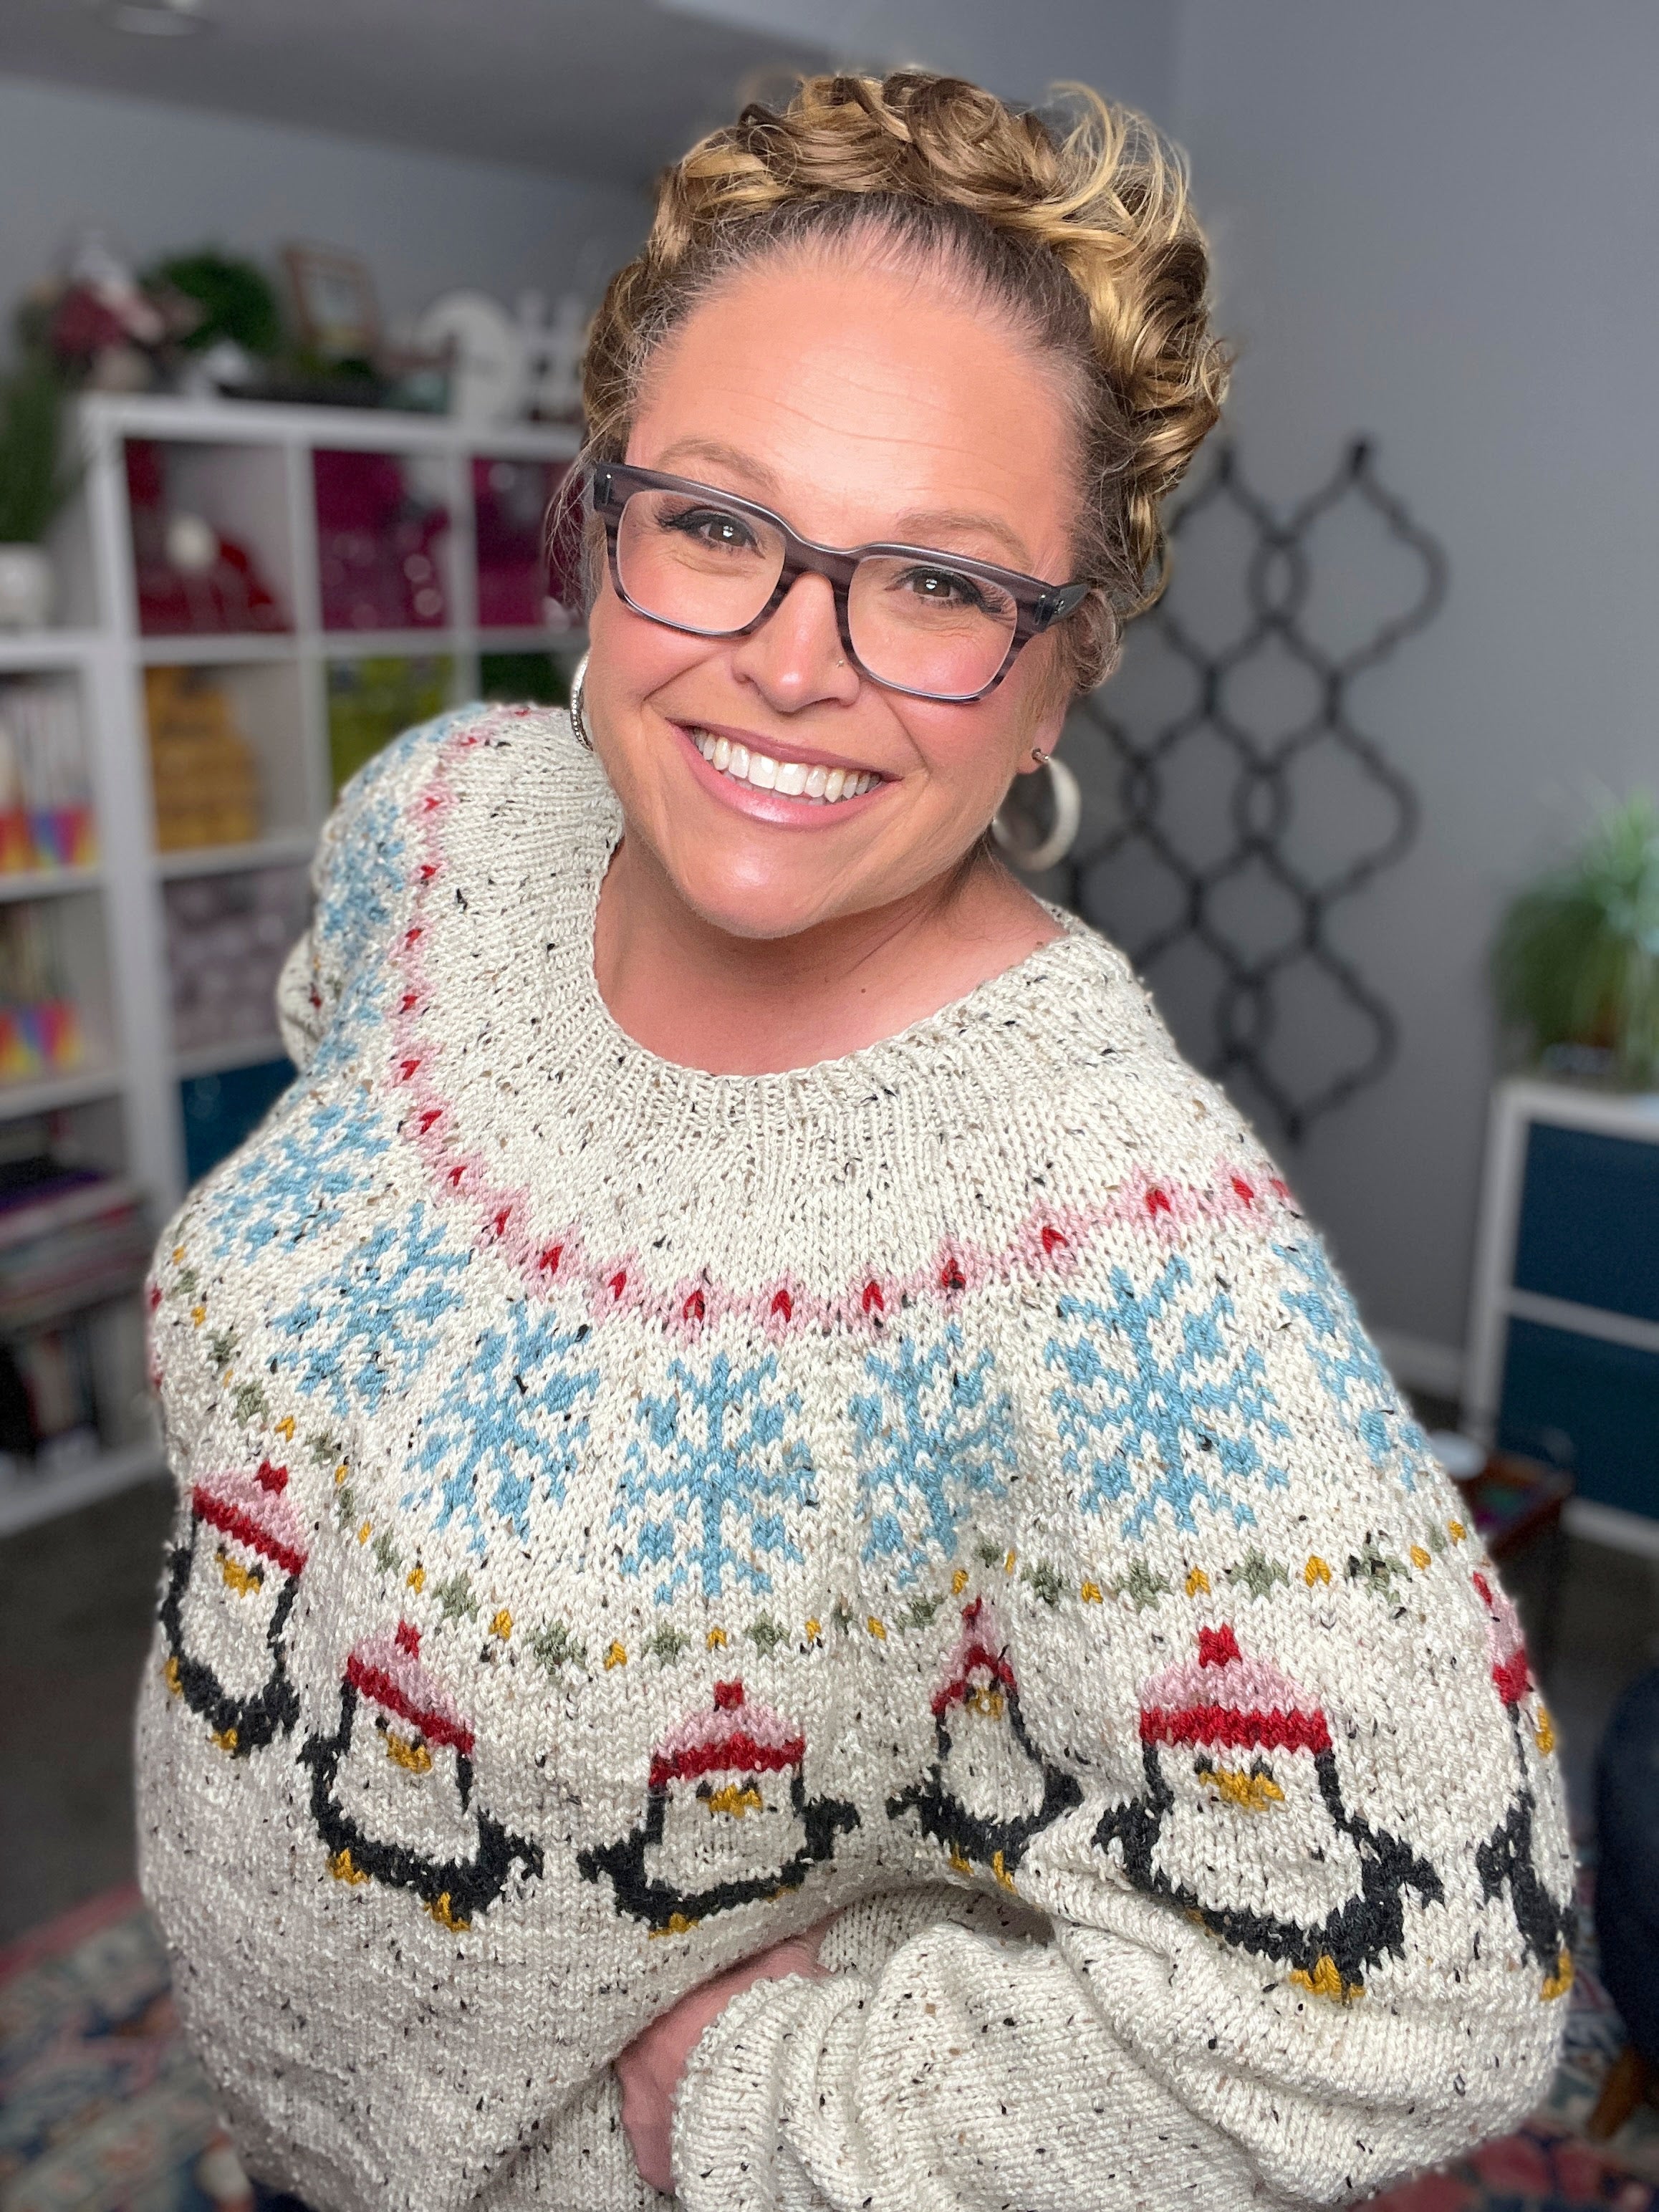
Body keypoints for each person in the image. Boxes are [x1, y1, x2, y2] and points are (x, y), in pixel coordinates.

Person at [136, 69, 1574, 2212]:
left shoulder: (1103, 1226)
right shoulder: (441, 824)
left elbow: (1424, 1995)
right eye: (715, 524)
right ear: (598, 525)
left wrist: (759, 2123)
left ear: (1061, 669)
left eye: (933, 584)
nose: (791, 665)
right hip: (269, 2129)